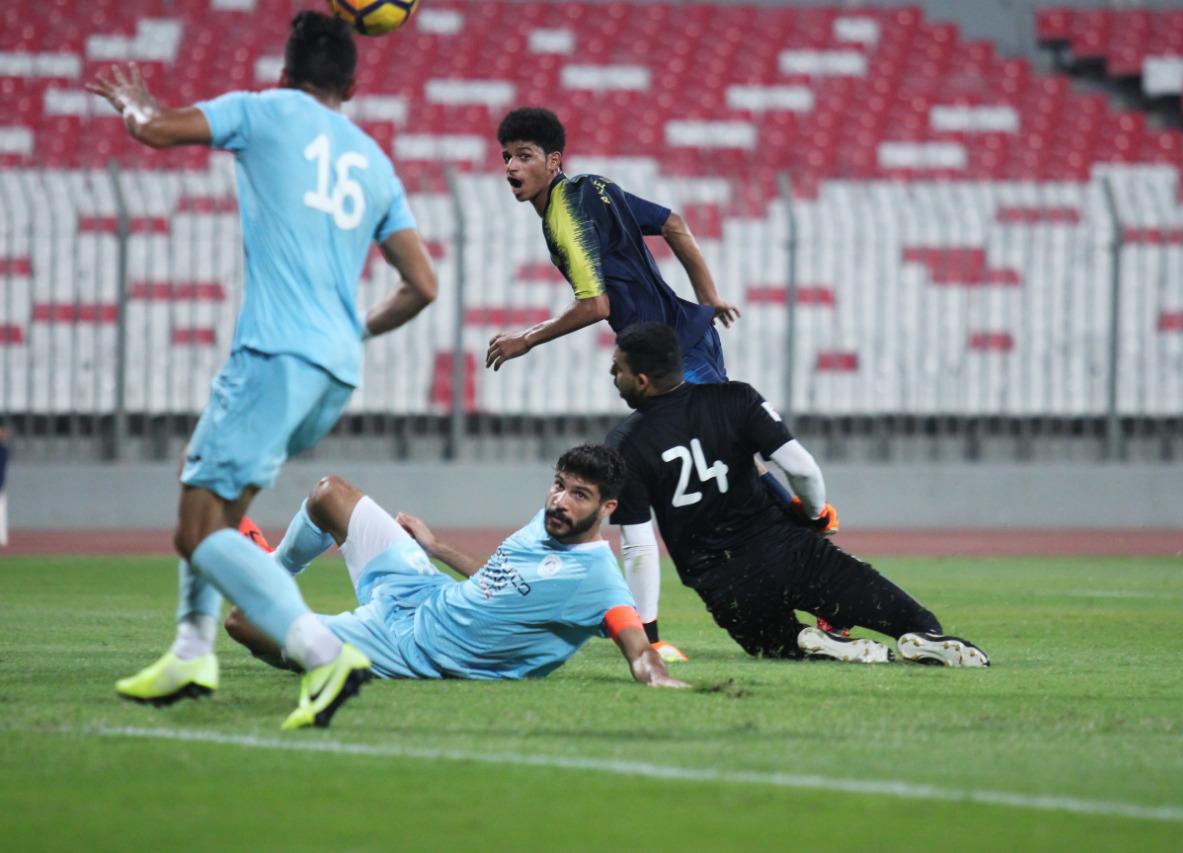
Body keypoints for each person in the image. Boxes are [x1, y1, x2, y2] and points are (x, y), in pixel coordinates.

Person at [88, 11, 439, 729]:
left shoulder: (263, 109)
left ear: (286, 73)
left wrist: (129, 101)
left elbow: (154, 127)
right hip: (334, 368)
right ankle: (191, 648)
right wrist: (356, 327)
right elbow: (423, 285)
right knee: (212, 494)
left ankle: (320, 651)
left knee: (196, 528)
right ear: (351, 80)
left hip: (275, 351)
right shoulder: (373, 159)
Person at [490, 107, 792, 656]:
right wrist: (707, 296)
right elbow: (673, 222)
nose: (511, 165)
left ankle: (803, 538)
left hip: (667, 357)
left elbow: (596, 304)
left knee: (670, 475)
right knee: (725, 463)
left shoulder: (563, 215)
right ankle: (805, 533)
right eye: (506, 155)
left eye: (524, 155)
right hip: (684, 340)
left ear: (553, 161)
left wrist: (525, 340)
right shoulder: (595, 188)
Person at [605, 323, 990, 667]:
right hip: (793, 553)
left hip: (724, 583)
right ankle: (923, 637)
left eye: (617, 369)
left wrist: (649, 635)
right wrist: (815, 513)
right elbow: (802, 467)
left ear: (641, 380)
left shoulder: (626, 442)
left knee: (775, 644)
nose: (612, 376)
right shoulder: (736, 399)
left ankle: (812, 642)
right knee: (917, 621)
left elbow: (638, 547)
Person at [223, 445, 689, 690]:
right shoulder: (547, 523)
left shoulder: (599, 581)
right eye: (558, 485)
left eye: (578, 495)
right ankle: (274, 565)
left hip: (406, 649)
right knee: (327, 493)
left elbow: (637, 645)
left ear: (607, 507)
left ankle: (326, 655)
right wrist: (436, 547)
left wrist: (658, 676)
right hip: (421, 591)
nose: (559, 501)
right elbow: (499, 579)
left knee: (242, 621)